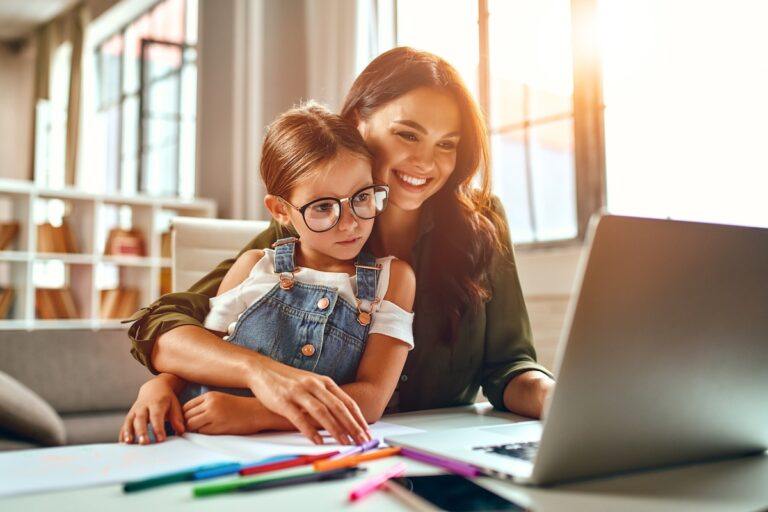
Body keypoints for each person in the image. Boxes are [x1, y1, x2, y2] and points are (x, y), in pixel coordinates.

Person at [121, 47, 555, 447]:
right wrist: (198, 379)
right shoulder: (307, 229)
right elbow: (169, 322)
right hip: (321, 448)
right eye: (407, 135)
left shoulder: (482, 220)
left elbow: (509, 366)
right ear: (356, 124)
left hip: (446, 449)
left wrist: (554, 397)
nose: (427, 163)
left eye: (446, 144)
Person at [119, 103, 415, 446]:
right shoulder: (253, 266)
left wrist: (256, 414)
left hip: (297, 448)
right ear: (280, 210)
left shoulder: (392, 280)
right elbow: (203, 353)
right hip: (202, 440)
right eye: (323, 207)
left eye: (362, 197)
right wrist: (159, 385)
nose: (350, 223)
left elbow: (372, 398)